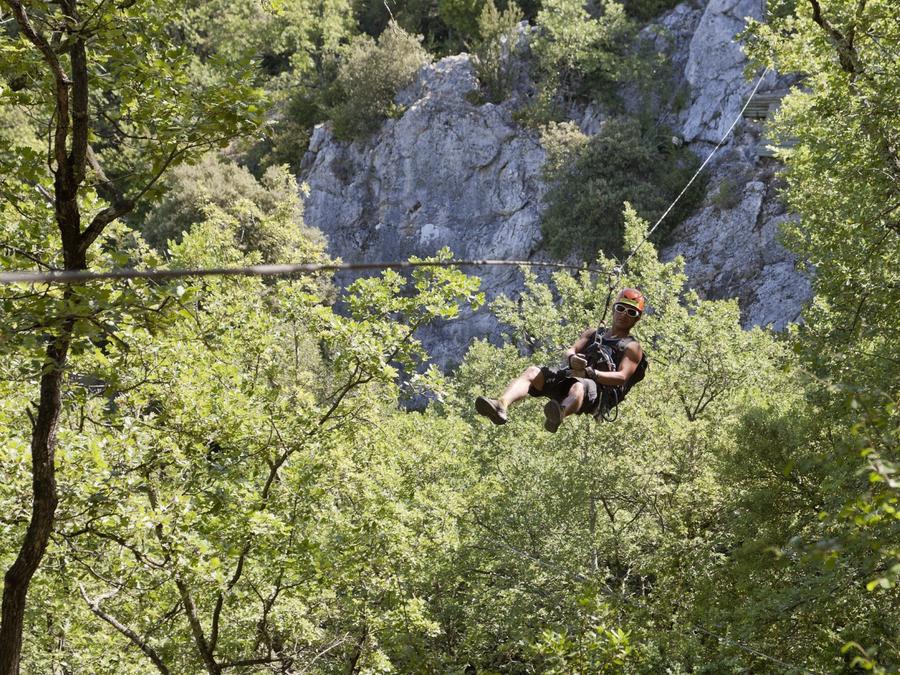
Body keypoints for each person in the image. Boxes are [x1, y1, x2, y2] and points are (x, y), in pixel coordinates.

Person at [475, 288, 645, 432]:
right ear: (613, 309)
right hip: (570, 377)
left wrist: (589, 373)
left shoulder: (632, 347)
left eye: (631, 312)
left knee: (579, 386)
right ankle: (501, 405)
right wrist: (572, 357)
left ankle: (559, 413)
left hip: (597, 392)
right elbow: (571, 350)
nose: (624, 314)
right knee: (533, 372)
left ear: (637, 319)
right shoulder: (593, 334)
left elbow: (622, 377)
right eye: (621, 308)